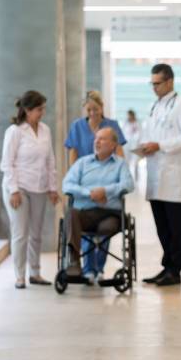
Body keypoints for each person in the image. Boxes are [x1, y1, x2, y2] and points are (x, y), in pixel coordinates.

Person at [139, 63, 181, 287]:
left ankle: (175, 270)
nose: (154, 87)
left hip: (172, 176)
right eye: (152, 84)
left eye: (157, 83)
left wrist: (159, 145)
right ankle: (166, 266)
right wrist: (144, 146)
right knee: (161, 225)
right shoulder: (156, 106)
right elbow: (150, 134)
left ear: (170, 81)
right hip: (155, 174)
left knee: (175, 226)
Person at [65, 91, 128, 284]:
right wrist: (79, 180)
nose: (93, 113)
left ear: (102, 108)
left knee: (103, 231)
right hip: (85, 180)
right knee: (82, 224)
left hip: (108, 181)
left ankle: (99, 268)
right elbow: (73, 154)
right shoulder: (77, 126)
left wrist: (117, 175)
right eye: (89, 110)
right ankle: (86, 268)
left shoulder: (112, 126)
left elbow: (119, 153)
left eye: (96, 109)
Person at [0, 90, 59, 289]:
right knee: (20, 233)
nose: (42, 112)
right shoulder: (15, 131)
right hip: (18, 188)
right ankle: (19, 276)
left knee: (36, 233)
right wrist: (14, 190)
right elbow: (7, 164)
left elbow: (50, 160)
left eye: (43, 108)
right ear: (27, 110)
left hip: (40, 187)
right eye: (39, 109)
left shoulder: (45, 130)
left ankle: (35, 273)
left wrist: (52, 188)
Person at [62, 127, 134, 277]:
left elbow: (128, 184)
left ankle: (97, 268)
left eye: (102, 139)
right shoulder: (83, 163)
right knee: (71, 215)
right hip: (85, 213)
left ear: (114, 144)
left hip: (110, 214)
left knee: (106, 229)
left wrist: (105, 191)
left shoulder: (120, 164)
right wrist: (90, 194)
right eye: (96, 138)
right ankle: (75, 262)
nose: (97, 141)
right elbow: (67, 185)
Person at [121, 109, 141, 180]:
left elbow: (139, 134)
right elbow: (122, 133)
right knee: (126, 162)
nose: (128, 117)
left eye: (129, 115)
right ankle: (127, 177)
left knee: (135, 162)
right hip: (126, 145)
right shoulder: (125, 123)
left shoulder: (137, 123)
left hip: (135, 144)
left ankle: (137, 178)